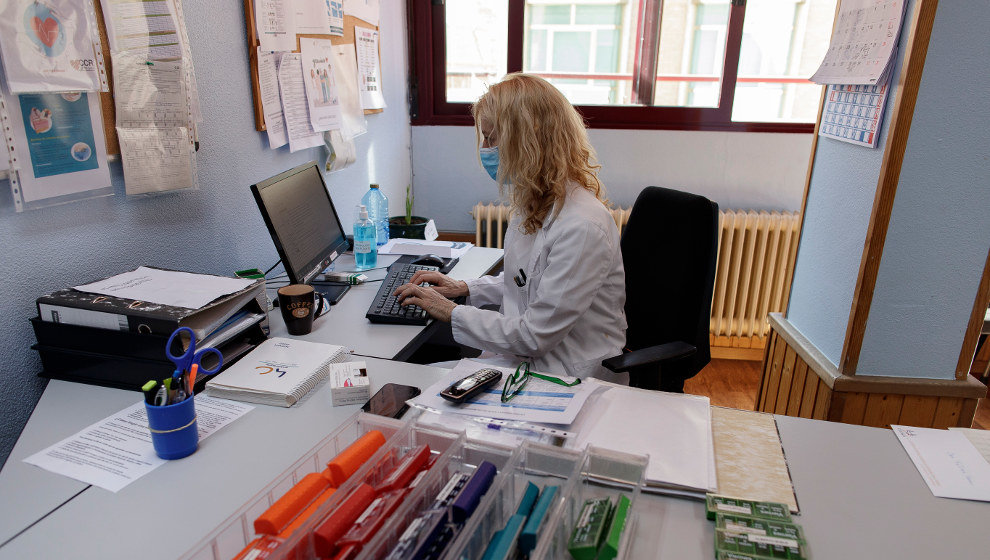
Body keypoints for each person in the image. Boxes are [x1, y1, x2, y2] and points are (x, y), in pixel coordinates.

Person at [394, 73, 627, 382]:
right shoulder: (534, 201)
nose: (486, 149)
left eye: (492, 139)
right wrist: (465, 287)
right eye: (485, 138)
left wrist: (451, 311)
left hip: (566, 377)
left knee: (414, 389)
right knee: (413, 380)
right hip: (526, 359)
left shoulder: (582, 225)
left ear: (528, 142)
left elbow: (534, 336)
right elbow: (527, 282)